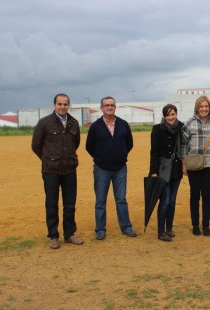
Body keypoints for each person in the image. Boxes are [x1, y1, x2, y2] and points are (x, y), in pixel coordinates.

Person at [31, 93, 84, 249]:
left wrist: (67, 158)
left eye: (65, 104)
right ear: (54, 105)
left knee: (70, 204)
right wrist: (48, 159)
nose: (62, 107)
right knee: (52, 204)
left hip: (69, 170)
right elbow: (36, 145)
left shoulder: (73, 123)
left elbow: (76, 143)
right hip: (51, 171)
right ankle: (53, 236)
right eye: (59, 104)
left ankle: (69, 234)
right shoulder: (44, 123)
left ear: (69, 105)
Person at [86, 96, 137, 240]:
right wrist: (101, 158)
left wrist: (120, 155)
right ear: (101, 108)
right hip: (101, 169)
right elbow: (89, 146)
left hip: (120, 168)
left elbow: (129, 144)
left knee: (121, 199)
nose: (109, 107)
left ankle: (126, 227)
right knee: (100, 200)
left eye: (112, 105)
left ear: (115, 107)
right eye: (106, 105)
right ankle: (100, 229)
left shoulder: (123, 124)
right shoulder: (95, 126)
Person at [181, 95, 210, 236]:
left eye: (206, 106)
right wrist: (183, 164)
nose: (204, 109)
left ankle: (205, 225)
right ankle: (195, 225)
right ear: (197, 108)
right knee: (194, 195)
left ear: (209, 108)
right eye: (201, 106)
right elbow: (183, 145)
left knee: (207, 195)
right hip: (193, 165)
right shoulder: (189, 123)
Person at [149, 104, 183, 242]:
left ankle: (169, 228)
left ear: (176, 114)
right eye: (168, 114)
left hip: (176, 168)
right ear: (164, 116)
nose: (171, 117)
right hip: (162, 169)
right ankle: (161, 231)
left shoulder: (181, 127)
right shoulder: (157, 129)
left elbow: (183, 147)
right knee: (165, 200)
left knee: (173, 200)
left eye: (173, 114)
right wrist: (153, 171)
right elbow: (154, 152)